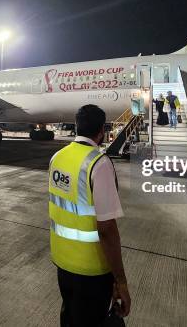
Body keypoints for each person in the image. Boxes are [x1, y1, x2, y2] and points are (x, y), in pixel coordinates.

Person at [49, 104, 131, 326]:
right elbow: (107, 230)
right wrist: (120, 281)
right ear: (102, 131)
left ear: (77, 126)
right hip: (91, 269)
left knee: (69, 317)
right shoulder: (99, 163)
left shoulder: (57, 157)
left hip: (62, 262)